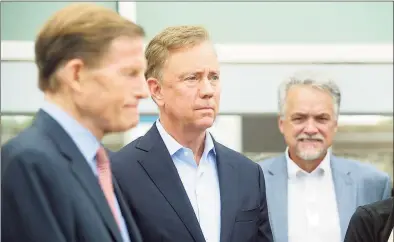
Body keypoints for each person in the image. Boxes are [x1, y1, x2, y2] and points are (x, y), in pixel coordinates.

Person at [1, 3, 149, 242]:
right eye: (130, 73)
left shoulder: (100, 165)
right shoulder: (30, 162)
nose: (144, 91)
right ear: (76, 75)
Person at [111, 25, 273, 242]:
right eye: (192, 78)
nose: (208, 90)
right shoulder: (121, 173)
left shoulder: (248, 174)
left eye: (213, 77)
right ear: (157, 90)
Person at [258, 71, 391, 242]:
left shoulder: (373, 184)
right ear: (282, 124)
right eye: (299, 118)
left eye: (321, 119)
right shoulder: (253, 180)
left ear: (335, 124)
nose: (311, 129)